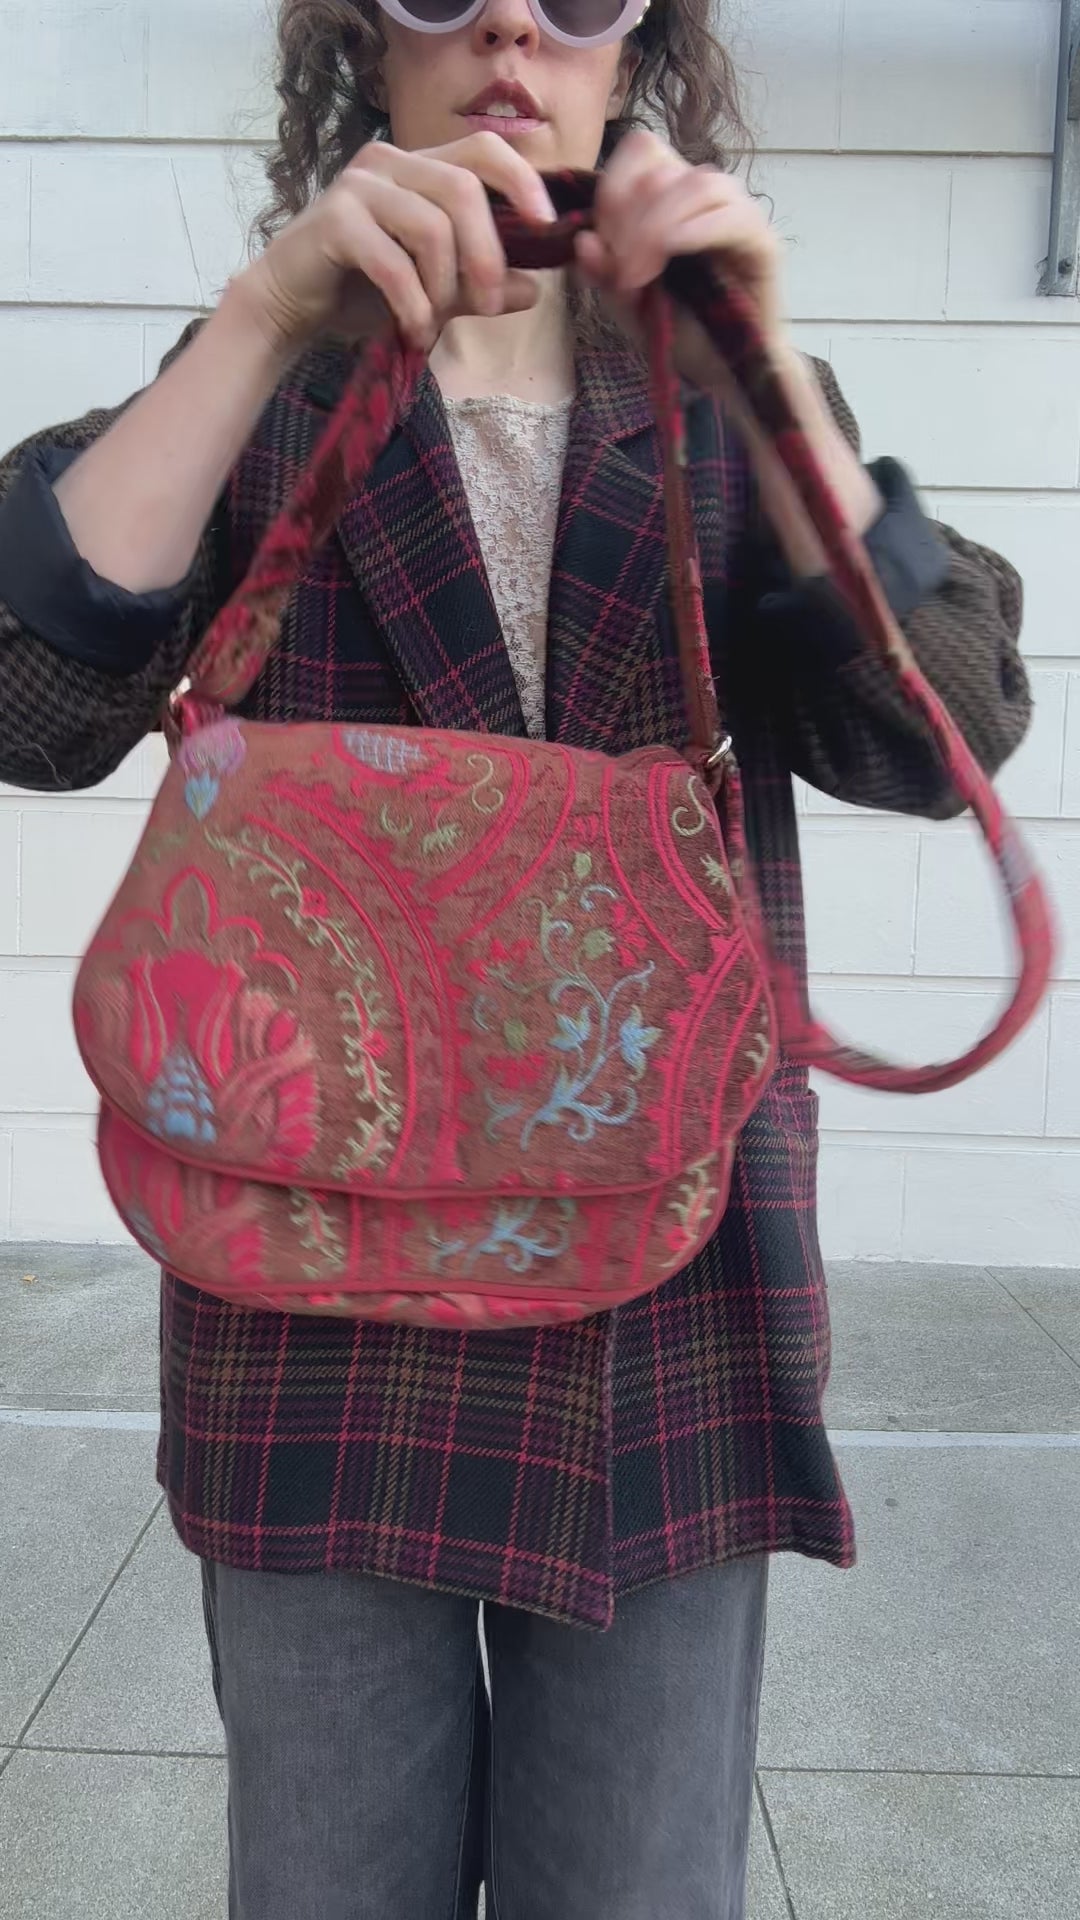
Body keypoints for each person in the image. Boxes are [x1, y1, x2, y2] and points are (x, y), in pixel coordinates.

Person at [0, 0, 1030, 1914]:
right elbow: (26, 699)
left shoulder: (719, 394)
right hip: (307, 1271)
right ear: (359, 43)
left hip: (668, 1276)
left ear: (638, 51)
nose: (505, 25)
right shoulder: (266, 382)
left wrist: (767, 374)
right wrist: (265, 314)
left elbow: (941, 730)